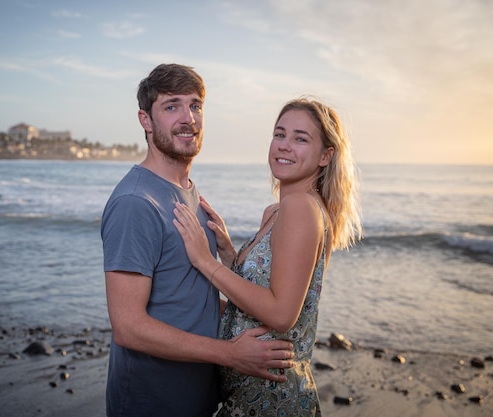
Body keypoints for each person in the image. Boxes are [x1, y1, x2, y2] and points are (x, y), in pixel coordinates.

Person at [101, 63, 294, 417]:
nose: (188, 118)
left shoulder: (187, 190)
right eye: (171, 106)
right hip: (151, 403)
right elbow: (128, 327)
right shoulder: (135, 203)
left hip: (197, 398)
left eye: (195, 105)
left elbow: (187, 296)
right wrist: (229, 353)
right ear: (146, 120)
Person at [173, 97, 363, 416]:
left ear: (325, 156)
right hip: (251, 392)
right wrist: (230, 253)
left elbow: (281, 314)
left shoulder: (300, 208)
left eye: (300, 139)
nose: (284, 146)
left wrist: (204, 261)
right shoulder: (277, 211)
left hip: (272, 397)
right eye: (280, 134)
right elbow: (269, 288)